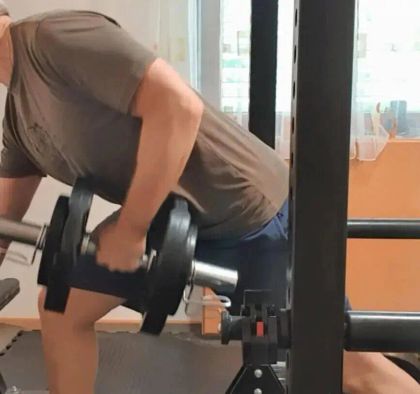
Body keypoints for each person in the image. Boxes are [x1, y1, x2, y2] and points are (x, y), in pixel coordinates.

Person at [0, 4, 417, 394]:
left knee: (344, 366)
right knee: (61, 307)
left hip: (246, 208)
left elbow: (178, 107)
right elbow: (4, 219)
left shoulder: (54, 38)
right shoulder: (19, 117)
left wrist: (131, 228)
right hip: (173, 216)